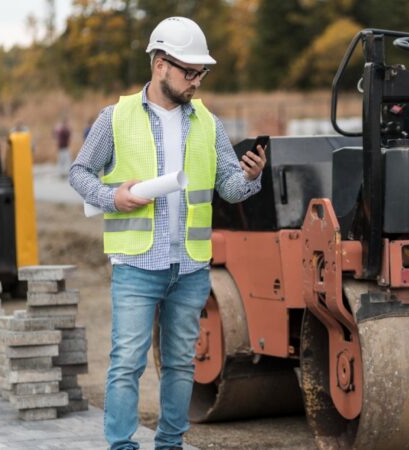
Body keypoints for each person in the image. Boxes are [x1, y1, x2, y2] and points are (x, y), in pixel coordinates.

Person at [68, 16, 267, 450]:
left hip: (191, 266)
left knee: (180, 364)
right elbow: (78, 172)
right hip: (137, 265)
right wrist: (110, 197)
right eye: (189, 72)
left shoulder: (208, 124)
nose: (197, 81)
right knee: (126, 364)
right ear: (160, 64)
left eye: (202, 73)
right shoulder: (115, 118)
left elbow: (229, 189)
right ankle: (122, 447)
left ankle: (170, 444)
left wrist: (251, 177)